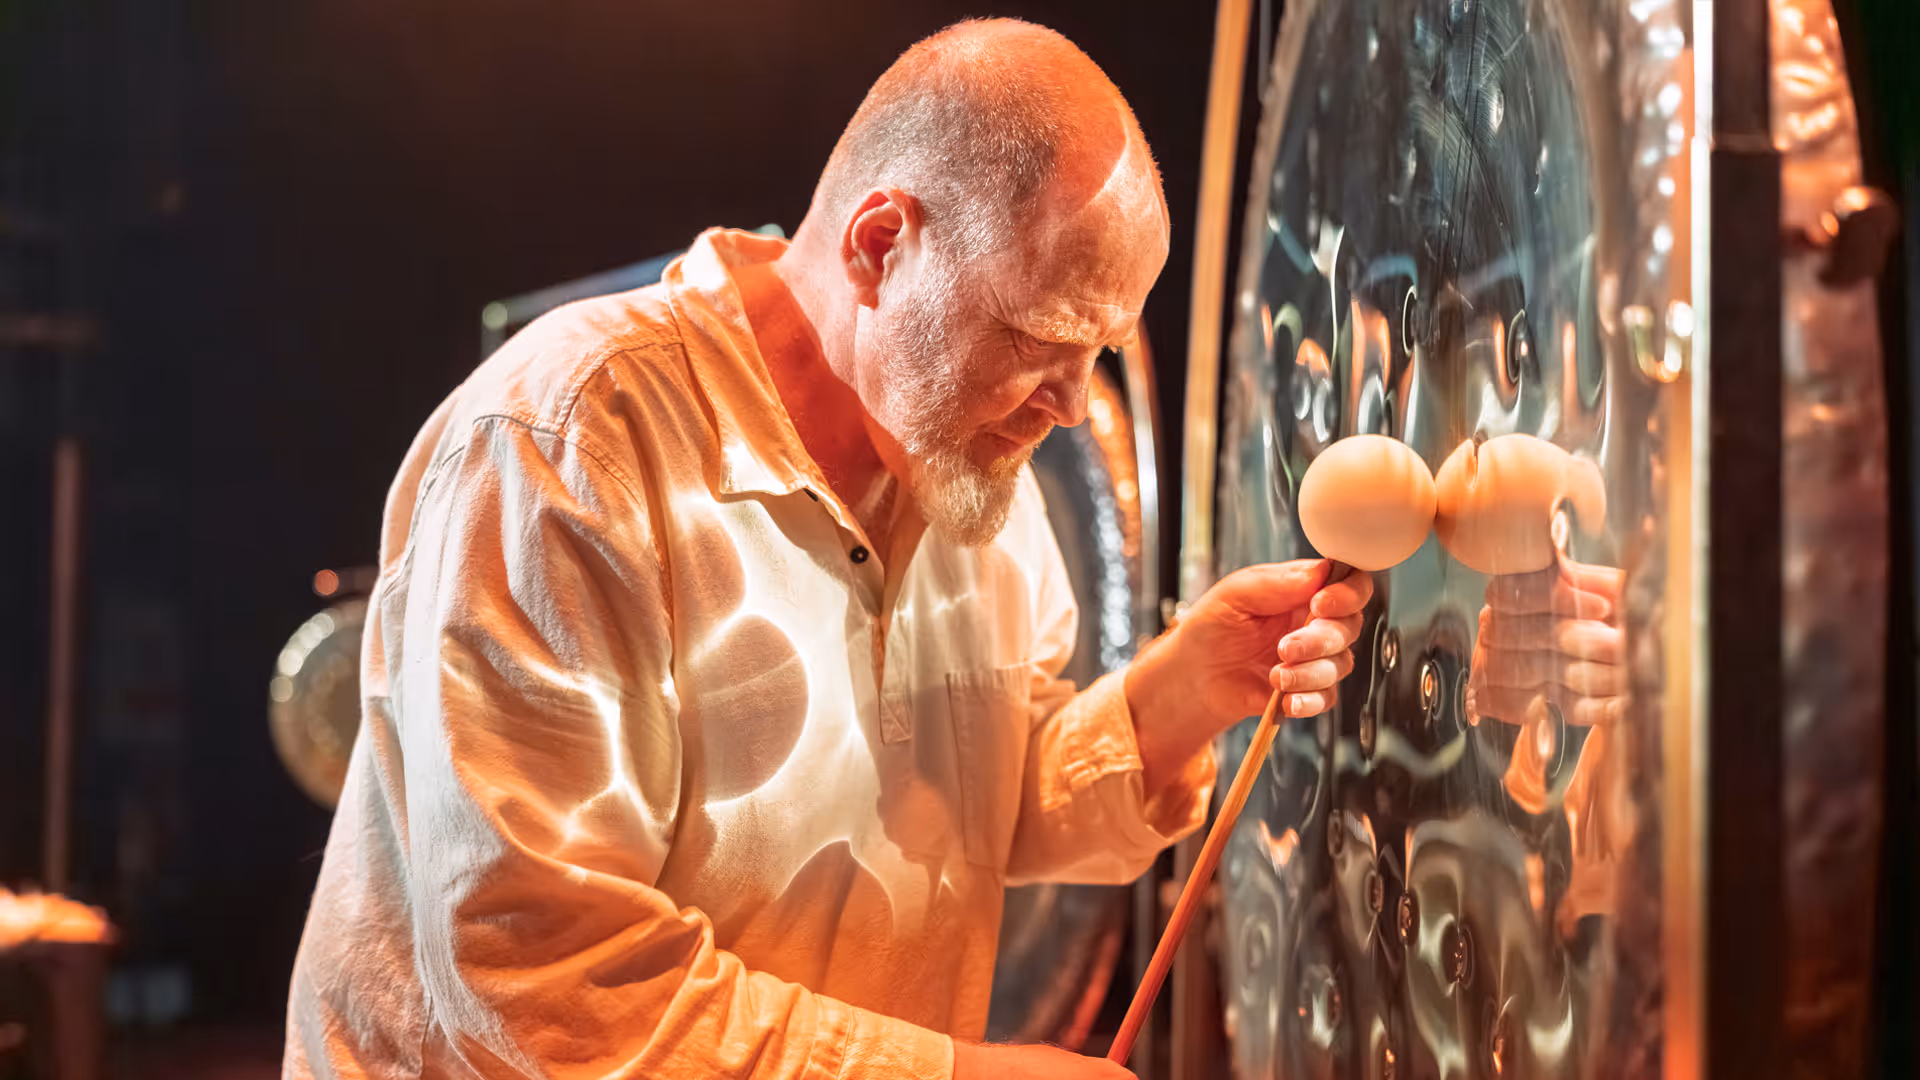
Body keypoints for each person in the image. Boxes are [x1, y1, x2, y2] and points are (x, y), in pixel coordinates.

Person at [284, 18, 1371, 1080]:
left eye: (1100, 351)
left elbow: (966, 810)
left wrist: (1180, 692)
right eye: (1041, 341)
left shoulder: (978, 470)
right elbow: (540, 981)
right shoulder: (568, 445)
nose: (1074, 408)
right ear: (879, 245)